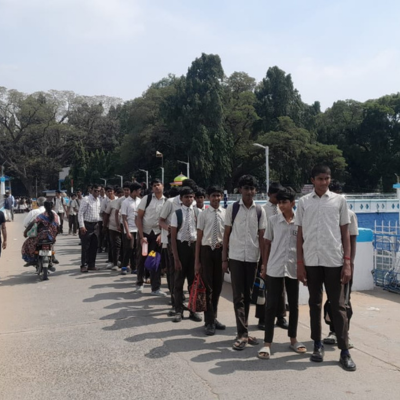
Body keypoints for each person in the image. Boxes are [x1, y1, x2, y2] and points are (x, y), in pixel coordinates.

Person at [296, 165, 356, 371]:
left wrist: (347, 262)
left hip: (334, 260)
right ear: (312, 180)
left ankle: (344, 350)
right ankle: (317, 344)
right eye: (320, 178)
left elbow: (345, 233)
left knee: (338, 306)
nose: (324, 182)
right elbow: (299, 234)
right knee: (314, 304)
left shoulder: (339, 201)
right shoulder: (304, 202)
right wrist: (300, 263)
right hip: (312, 261)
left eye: (327, 178)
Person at [257, 187, 306, 359]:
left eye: (285, 202)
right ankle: (267, 343)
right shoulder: (273, 221)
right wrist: (264, 265)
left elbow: (303, 245)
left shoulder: (300, 222)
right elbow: (267, 244)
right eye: (279, 203)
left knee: (293, 305)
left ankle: (293, 339)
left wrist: (303, 267)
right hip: (275, 267)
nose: (281, 206)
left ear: (292, 203)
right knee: (271, 305)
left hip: (293, 267)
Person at [222, 175, 267, 350]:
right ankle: (242, 333)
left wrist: (263, 262)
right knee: (238, 296)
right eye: (246, 188)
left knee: (248, 296)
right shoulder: (232, 209)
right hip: (235, 257)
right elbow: (226, 235)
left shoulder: (260, 211)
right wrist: (224, 258)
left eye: (252, 188)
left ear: (256, 191)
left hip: (252, 258)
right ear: (240, 190)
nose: (249, 192)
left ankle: (244, 332)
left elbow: (262, 238)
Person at [323, 181, 358, 348]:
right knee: (331, 300)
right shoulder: (326, 213)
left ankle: (344, 333)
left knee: (344, 301)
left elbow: (352, 239)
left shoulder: (349, 215)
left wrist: (349, 263)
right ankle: (333, 330)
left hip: (343, 264)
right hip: (329, 262)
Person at [195, 185, 226, 335]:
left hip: (220, 251)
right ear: (208, 197)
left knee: (218, 287)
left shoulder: (226, 213)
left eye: (218, 195)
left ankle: (214, 317)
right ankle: (208, 321)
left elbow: (227, 235)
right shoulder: (203, 214)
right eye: (213, 195)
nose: (216, 198)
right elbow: (199, 237)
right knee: (208, 288)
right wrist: (197, 261)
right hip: (206, 251)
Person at [257, 182, 288, 331]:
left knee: (280, 287)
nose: (279, 199)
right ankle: (262, 317)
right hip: (266, 251)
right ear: (269, 195)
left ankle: (280, 316)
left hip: (281, 251)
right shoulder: (263, 210)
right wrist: (263, 257)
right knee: (263, 286)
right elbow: (261, 233)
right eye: (277, 196)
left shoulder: (283, 209)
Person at [170, 186, 202, 323]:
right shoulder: (176, 214)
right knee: (178, 282)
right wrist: (176, 258)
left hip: (194, 247)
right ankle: (178, 310)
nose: (189, 199)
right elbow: (173, 237)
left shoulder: (198, 212)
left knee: (193, 281)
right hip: (181, 247)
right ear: (181, 199)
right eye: (186, 197)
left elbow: (200, 232)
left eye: (191, 197)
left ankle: (193, 310)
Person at [135, 179, 166, 295]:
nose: (156, 187)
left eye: (158, 185)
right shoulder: (146, 199)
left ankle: (155, 288)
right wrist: (141, 236)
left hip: (157, 235)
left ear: (162, 186)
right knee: (141, 259)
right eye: (154, 185)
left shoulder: (166, 201)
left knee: (155, 260)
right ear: (152, 188)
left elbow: (166, 220)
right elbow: (139, 217)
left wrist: (162, 235)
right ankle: (139, 283)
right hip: (145, 234)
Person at [22, 201, 59, 267]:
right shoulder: (55, 215)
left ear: (44, 207)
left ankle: (32, 259)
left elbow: (32, 223)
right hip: (51, 237)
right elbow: (58, 226)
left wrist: (25, 232)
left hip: (41, 236)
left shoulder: (41, 215)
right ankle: (52, 257)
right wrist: (55, 235)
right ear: (52, 206)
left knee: (27, 244)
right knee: (51, 244)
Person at [78, 184, 102, 273]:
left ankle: (91, 265)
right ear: (91, 190)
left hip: (96, 225)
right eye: (95, 190)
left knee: (94, 246)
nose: (97, 192)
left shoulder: (98, 200)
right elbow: (80, 213)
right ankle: (84, 265)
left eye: (99, 191)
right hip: (87, 225)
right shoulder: (86, 199)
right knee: (86, 246)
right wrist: (82, 226)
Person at [120, 182, 142, 275]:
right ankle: (124, 266)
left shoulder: (140, 201)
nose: (140, 192)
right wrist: (127, 231)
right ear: (134, 191)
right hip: (129, 228)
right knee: (129, 248)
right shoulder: (125, 202)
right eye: (139, 190)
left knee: (136, 249)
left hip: (138, 228)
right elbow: (124, 218)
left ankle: (134, 267)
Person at [104, 187, 124, 271]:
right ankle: (115, 263)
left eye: (122, 195)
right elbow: (106, 214)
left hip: (125, 227)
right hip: (113, 227)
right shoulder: (112, 203)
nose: (120, 196)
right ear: (116, 194)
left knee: (124, 246)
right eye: (119, 195)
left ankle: (123, 262)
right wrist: (105, 226)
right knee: (116, 245)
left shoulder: (126, 202)